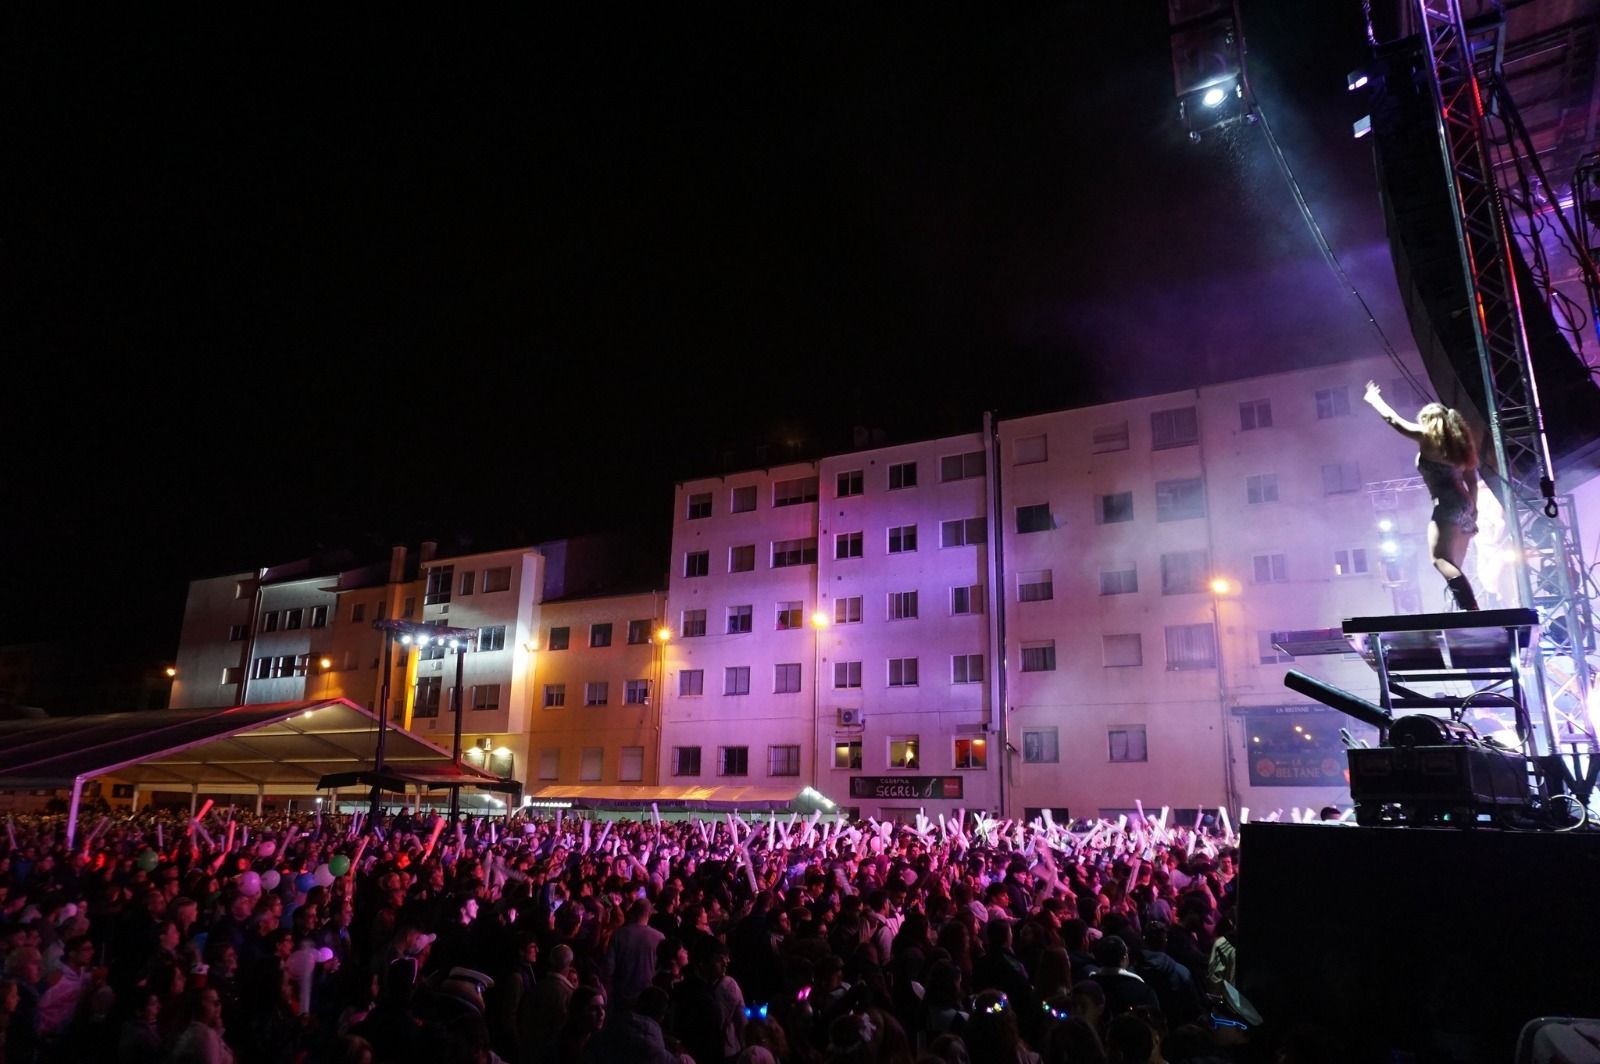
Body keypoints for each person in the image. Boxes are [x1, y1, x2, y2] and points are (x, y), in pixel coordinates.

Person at [1363, 381, 1481, 610]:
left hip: (1446, 503)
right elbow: (1471, 480)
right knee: (1454, 564)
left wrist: (1374, 400)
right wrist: (1472, 510)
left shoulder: (1427, 437)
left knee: (1440, 559)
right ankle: (1463, 608)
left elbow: (1394, 421)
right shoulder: (1458, 445)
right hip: (1464, 503)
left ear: (1428, 421)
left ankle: (1471, 610)